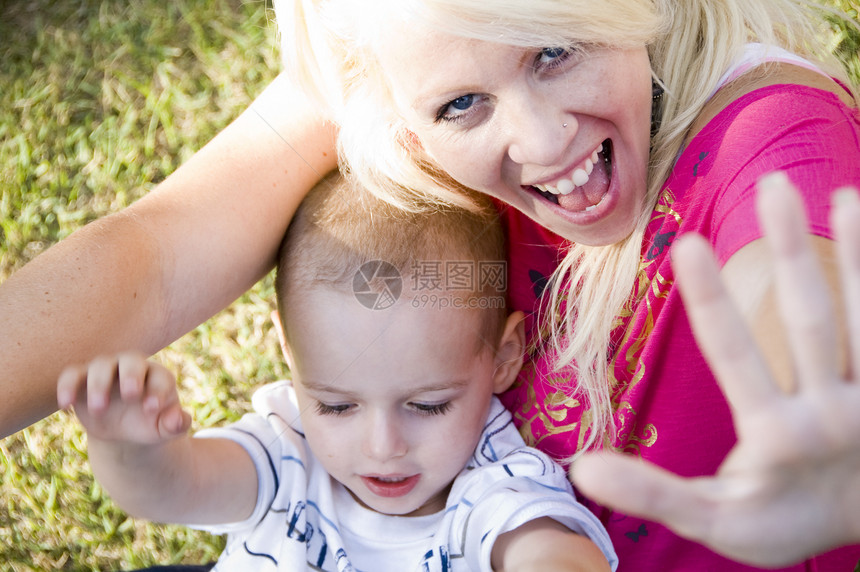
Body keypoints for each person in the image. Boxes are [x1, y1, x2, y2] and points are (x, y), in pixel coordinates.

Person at [1, 0, 859, 569]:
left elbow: (793, 272)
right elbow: (155, 250)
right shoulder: (405, 45)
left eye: (557, 50)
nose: (540, 138)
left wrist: (821, 403)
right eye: (460, 106)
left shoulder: (771, 129)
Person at [57, 173, 618, 571]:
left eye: (428, 405)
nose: (383, 446)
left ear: (503, 357)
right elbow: (174, 491)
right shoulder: (288, 450)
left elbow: (544, 549)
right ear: (289, 349)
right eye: (337, 405)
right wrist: (129, 447)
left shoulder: (493, 483)